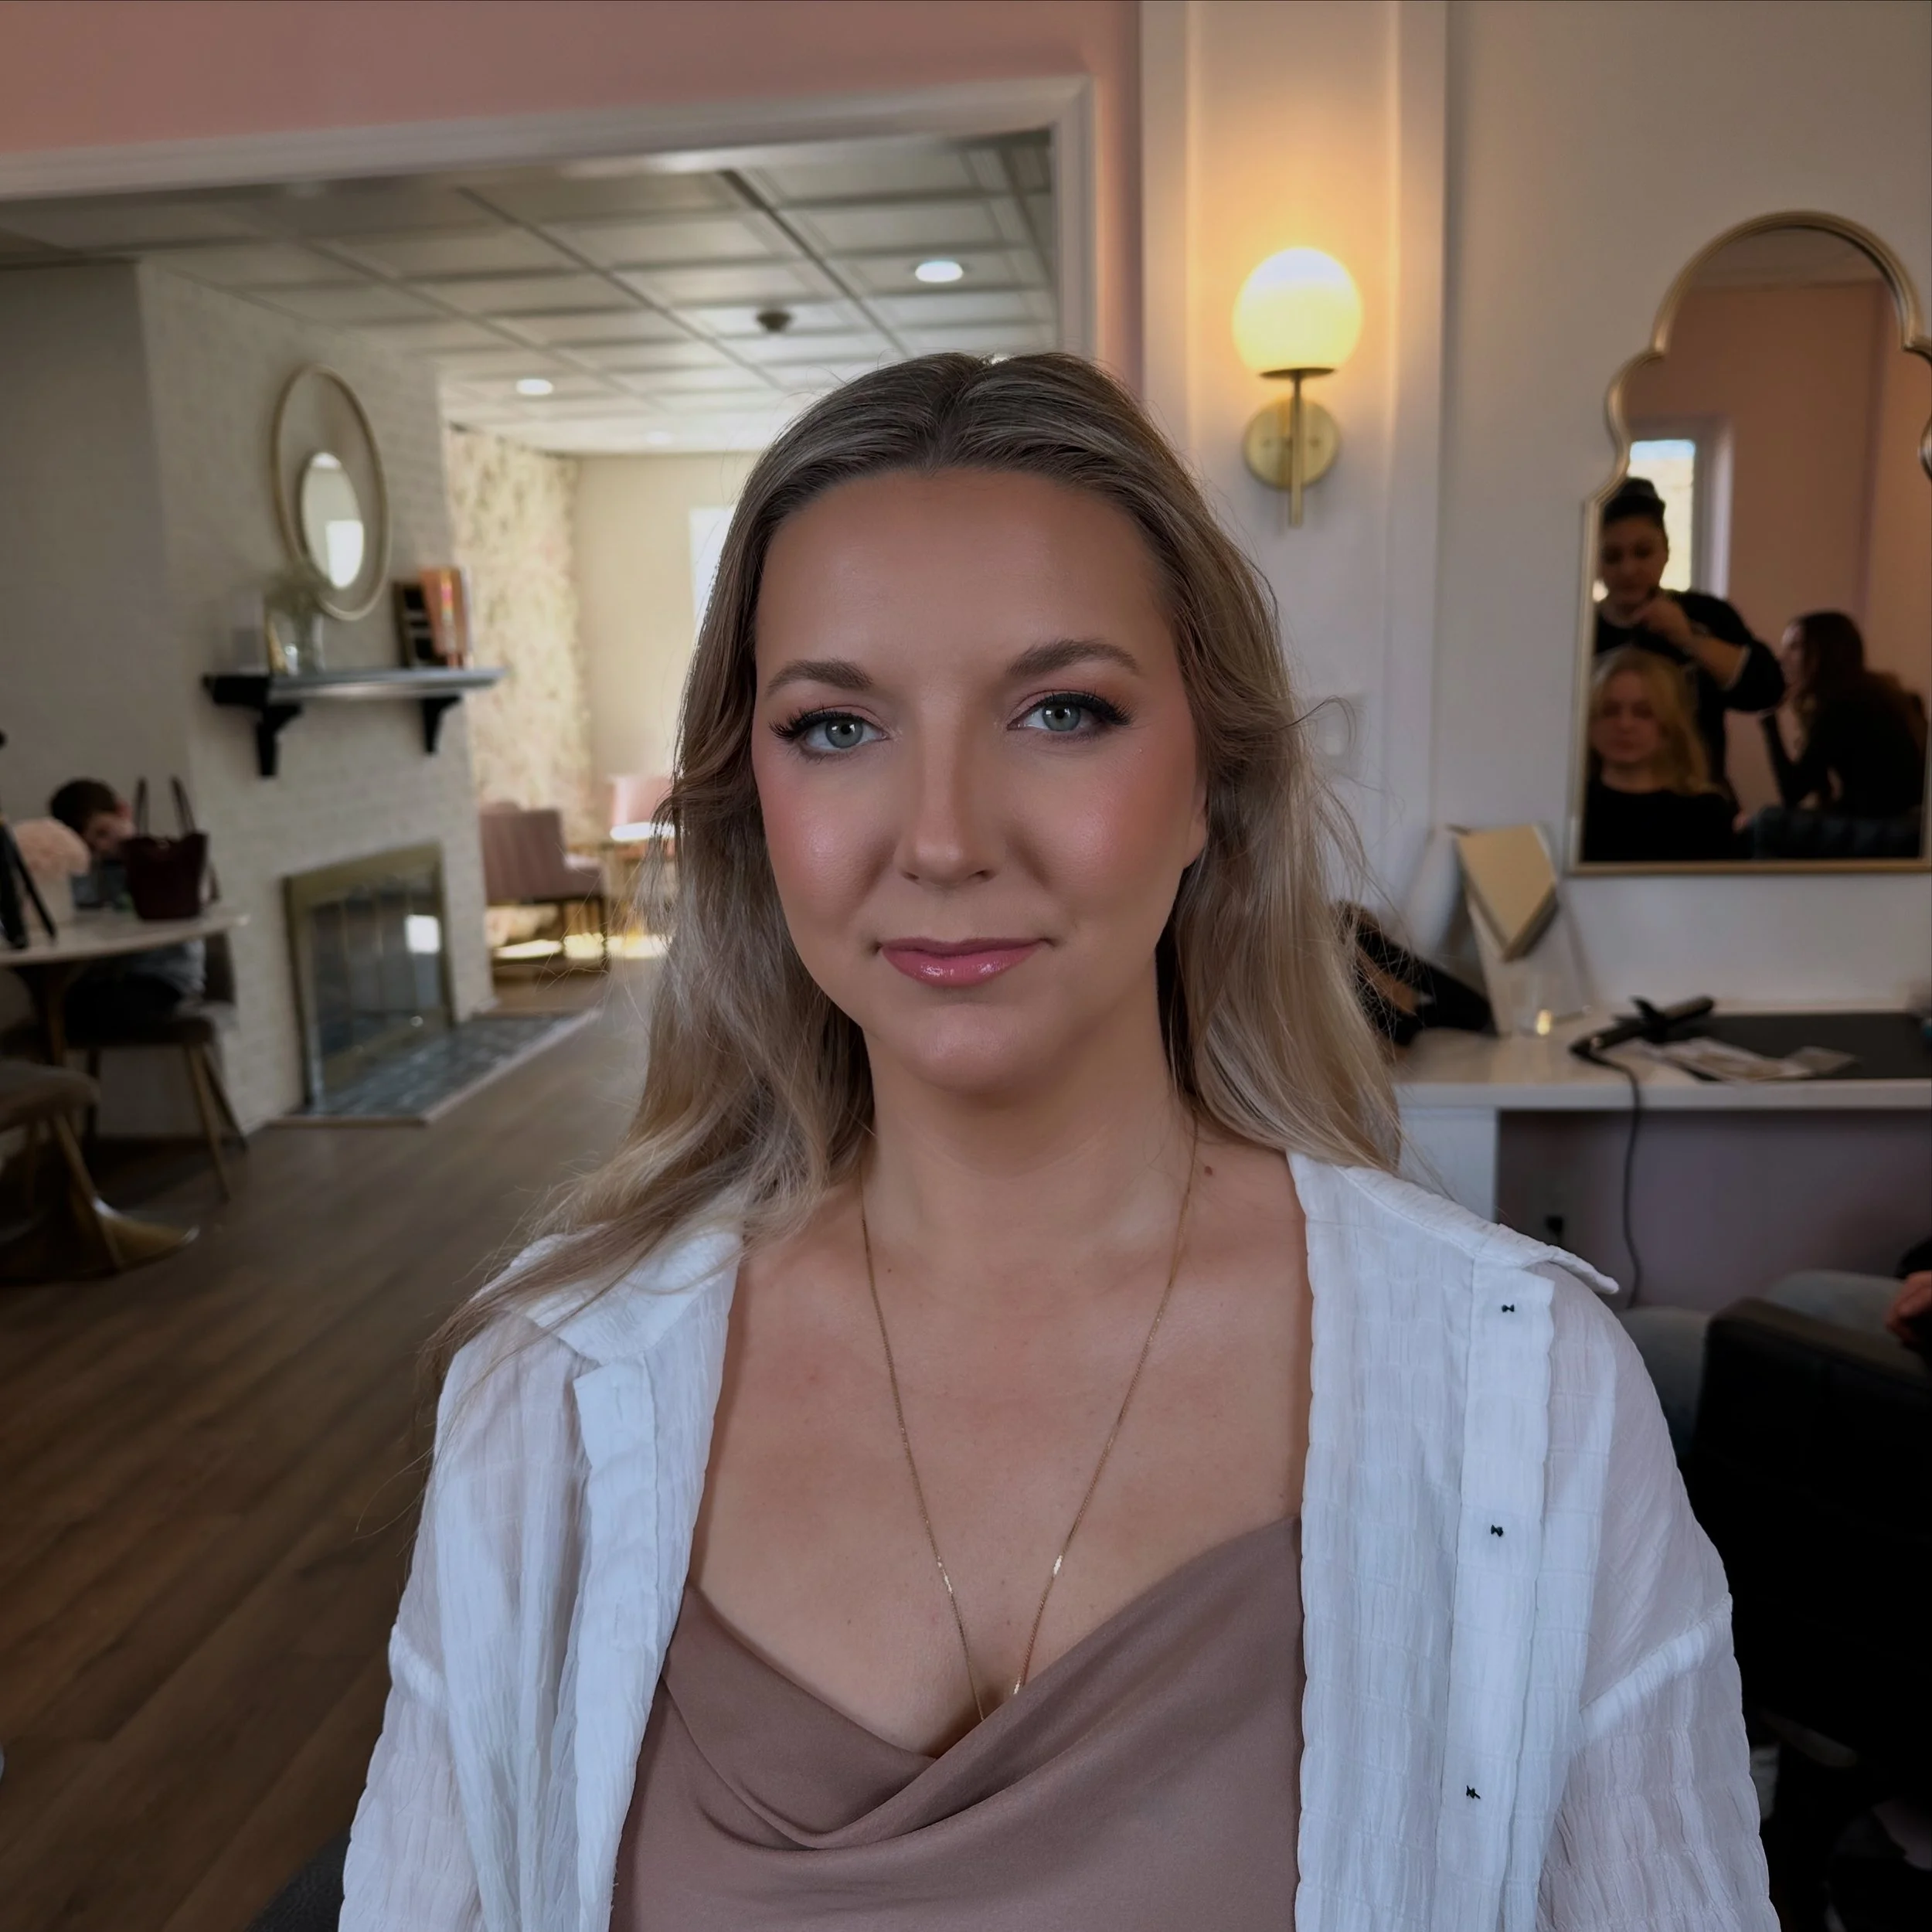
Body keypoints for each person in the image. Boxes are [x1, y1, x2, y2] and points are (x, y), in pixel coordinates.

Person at [342, 354, 1774, 1929]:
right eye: (834, 727)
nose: (944, 835)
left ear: (1211, 785)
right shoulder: (548, 1390)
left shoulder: (1525, 1390)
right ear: (746, 801)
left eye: (1061, 710)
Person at [1595, 475, 1784, 797]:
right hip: (1601, 807)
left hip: (1697, 802)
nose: (1628, 570)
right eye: (1612, 556)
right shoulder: (1576, 631)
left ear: (1666, 551)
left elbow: (1767, 690)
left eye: (1643, 552)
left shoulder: (1706, 614)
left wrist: (1689, 639)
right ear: (1594, 563)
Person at [1753, 611, 1927, 855]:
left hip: (1884, 827)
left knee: (1765, 823)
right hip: (1906, 821)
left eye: (1795, 647)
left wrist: (1769, 721)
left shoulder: (1842, 704)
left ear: (1824, 652)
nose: (1782, 658)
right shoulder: (1874, 691)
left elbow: (1792, 791)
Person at [47, 777, 206, 1029]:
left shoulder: (163, 861)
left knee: (71, 1015)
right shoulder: (96, 873)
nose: (102, 846)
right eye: (90, 845)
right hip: (115, 977)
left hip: (165, 976)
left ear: (123, 812)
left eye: (103, 832)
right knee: (58, 1007)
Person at [1582, 646, 1740, 862]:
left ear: (1668, 726)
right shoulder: (1571, 811)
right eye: (1609, 711)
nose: (1625, 724)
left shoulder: (1706, 813)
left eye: (1643, 713)